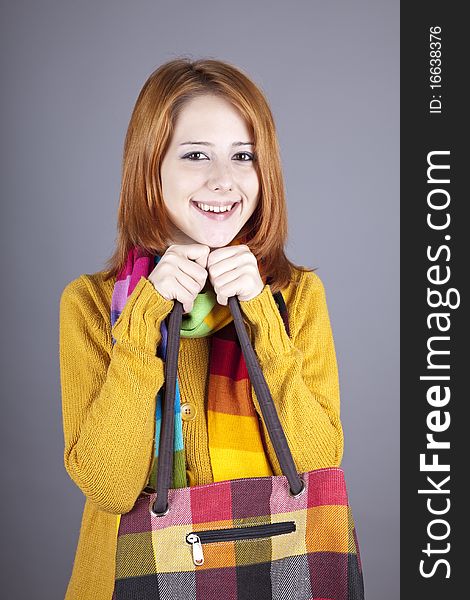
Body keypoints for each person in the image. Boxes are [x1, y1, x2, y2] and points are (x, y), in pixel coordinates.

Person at [59, 57, 344, 600]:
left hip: (271, 575)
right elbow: (110, 485)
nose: (224, 181)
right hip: (131, 579)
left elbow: (316, 463)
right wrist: (144, 319)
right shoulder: (93, 304)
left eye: (243, 156)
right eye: (195, 156)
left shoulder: (296, 296)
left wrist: (261, 314)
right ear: (150, 168)